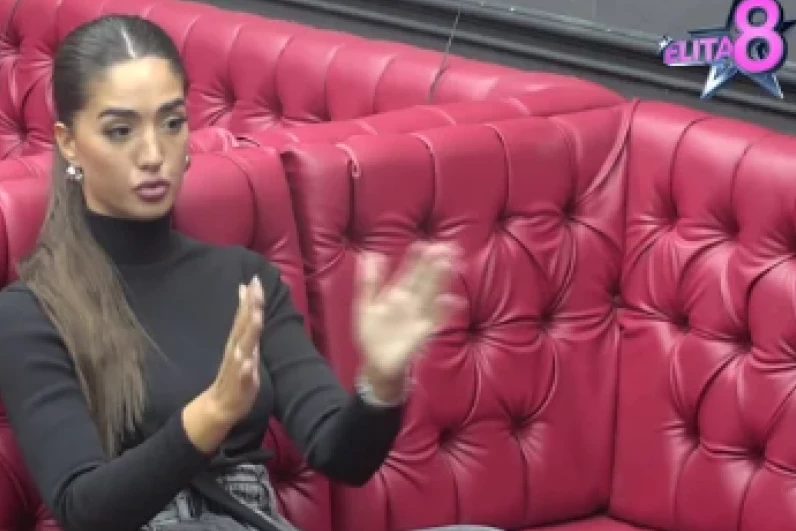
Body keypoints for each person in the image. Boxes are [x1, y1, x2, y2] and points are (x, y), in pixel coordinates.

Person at [0, 14, 503, 531]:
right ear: (68, 142)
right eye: (120, 131)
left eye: (171, 123)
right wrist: (213, 413)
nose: (153, 154)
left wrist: (381, 383)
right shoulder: (31, 312)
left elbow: (341, 455)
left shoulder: (243, 278)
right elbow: (83, 510)